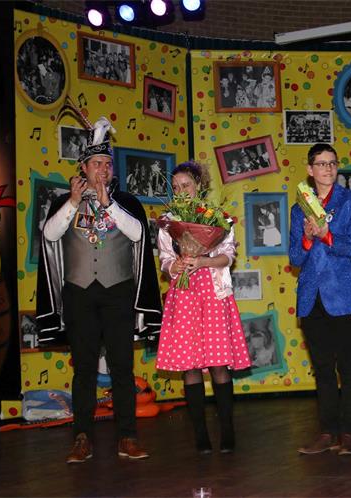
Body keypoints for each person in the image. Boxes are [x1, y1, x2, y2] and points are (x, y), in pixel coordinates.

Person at [36, 117, 162, 464]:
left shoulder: (127, 202)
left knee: (122, 368)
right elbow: (49, 235)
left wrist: (109, 205)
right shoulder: (65, 202)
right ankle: (82, 438)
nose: (103, 170)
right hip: (79, 294)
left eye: (107, 164)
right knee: (84, 370)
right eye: (96, 164)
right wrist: (73, 203)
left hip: (118, 293)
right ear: (84, 168)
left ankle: (128, 437)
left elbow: (138, 234)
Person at [155, 161, 251, 454]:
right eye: (176, 187)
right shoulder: (168, 222)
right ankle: (200, 435)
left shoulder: (217, 217)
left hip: (213, 292)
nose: (181, 191)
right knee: (190, 366)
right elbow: (165, 260)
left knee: (219, 364)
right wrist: (175, 265)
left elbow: (228, 257)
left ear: (199, 185)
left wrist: (202, 261)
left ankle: (227, 431)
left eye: (186, 185)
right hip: (184, 294)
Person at [289, 143, 351, 455]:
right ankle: (327, 431)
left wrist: (327, 236)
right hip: (311, 297)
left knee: (347, 366)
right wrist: (308, 238)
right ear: (310, 170)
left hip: (342, 294)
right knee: (322, 369)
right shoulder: (299, 208)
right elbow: (295, 257)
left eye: (332, 163)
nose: (328, 169)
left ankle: (349, 432)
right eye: (321, 164)